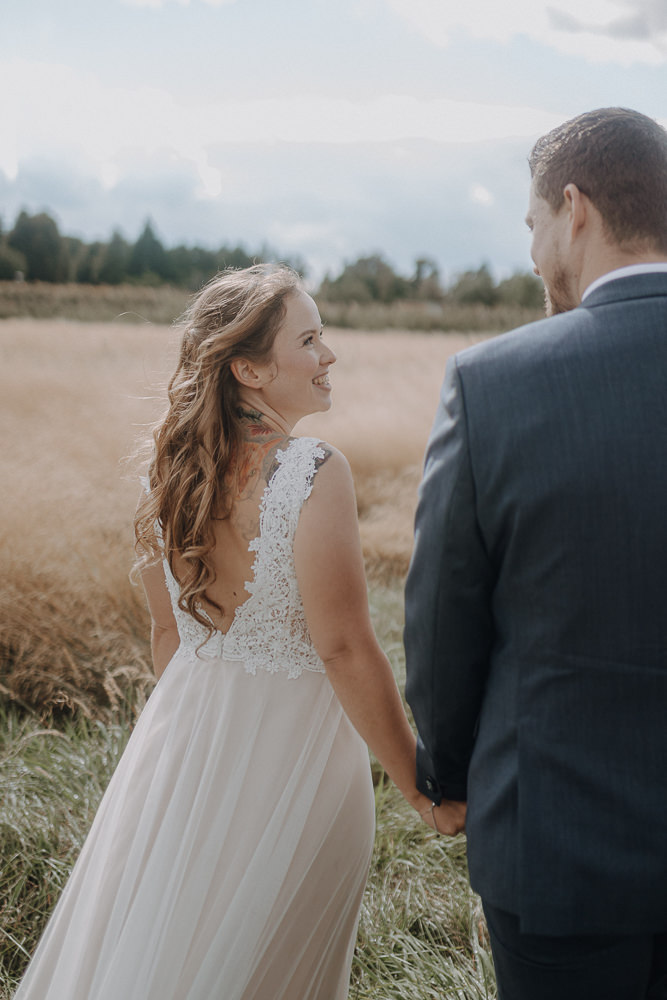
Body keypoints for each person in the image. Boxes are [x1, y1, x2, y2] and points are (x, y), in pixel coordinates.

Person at [13, 264, 443, 1000]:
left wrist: (194, 747)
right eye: (309, 339)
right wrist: (420, 790)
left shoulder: (167, 475)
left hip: (180, 750)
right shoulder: (312, 470)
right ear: (247, 367)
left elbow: (165, 637)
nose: (328, 355)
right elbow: (342, 647)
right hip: (296, 770)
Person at [404, 107, 667, 999]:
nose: (529, 255)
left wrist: (441, 772)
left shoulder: (490, 383)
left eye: (529, 227)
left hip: (556, 849)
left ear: (573, 208)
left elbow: (442, 614)